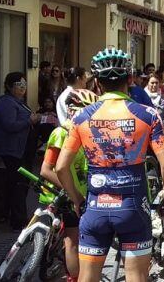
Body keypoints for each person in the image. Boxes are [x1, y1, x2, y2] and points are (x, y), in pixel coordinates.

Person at [54, 48, 164, 282]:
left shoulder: (80, 118)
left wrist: (77, 199)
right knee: (137, 276)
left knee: (87, 278)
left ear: (97, 84)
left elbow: (60, 168)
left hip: (94, 206)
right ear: (130, 80)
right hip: (133, 207)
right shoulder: (149, 115)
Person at [39, 89, 98, 282]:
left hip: (79, 194)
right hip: (65, 194)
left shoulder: (86, 135)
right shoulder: (60, 133)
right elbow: (46, 170)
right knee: (72, 240)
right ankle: (75, 278)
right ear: (71, 111)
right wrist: (71, 192)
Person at [0, 72, 40, 231]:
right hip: (13, 150)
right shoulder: (6, 103)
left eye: (24, 85)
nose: (22, 89)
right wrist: (29, 120)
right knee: (18, 184)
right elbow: (10, 125)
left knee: (22, 183)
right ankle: (18, 219)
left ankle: (16, 216)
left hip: (23, 150)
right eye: (18, 86)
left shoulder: (19, 102)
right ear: (9, 87)